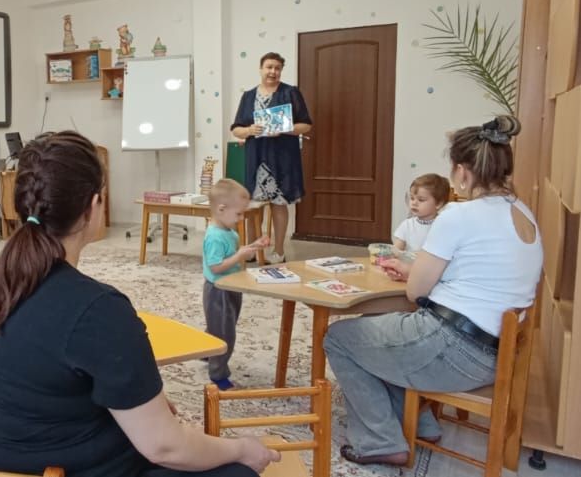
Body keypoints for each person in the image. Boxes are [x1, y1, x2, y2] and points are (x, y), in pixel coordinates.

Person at [0, 131, 277, 477]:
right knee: (239, 469)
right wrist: (242, 448)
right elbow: (165, 446)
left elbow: (41, 375)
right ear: (94, 205)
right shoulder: (97, 309)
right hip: (67, 468)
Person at [322, 116, 542, 467]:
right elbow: (480, 275)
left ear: (462, 172)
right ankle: (421, 422)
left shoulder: (457, 216)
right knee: (379, 330)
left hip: (454, 350)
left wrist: (414, 275)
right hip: (497, 354)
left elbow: (415, 292)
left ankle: (380, 441)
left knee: (340, 337)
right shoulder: (523, 212)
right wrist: (418, 271)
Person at [230, 52, 312, 264]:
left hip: (282, 158)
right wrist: (249, 130)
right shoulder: (248, 96)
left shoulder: (290, 92)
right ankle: (252, 250)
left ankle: (278, 252)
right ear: (261, 69)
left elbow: (306, 125)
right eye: (269, 67)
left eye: (277, 68)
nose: (273, 71)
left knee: (279, 204)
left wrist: (284, 129)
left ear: (281, 71)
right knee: (254, 206)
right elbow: (236, 129)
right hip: (256, 158)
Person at [202, 179, 269, 390]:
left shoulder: (229, 232)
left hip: (230, 287)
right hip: (218, 290)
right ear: (221, 209)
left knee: (220, 324)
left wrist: (253, 246)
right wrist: (240, 255)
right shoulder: (215, 237)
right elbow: (216, 267)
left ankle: (206, 350)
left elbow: (233, 255)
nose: (241, 219)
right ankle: (218, 373)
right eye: (238, 214)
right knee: (224, 333)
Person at [392, 173, 451, 253]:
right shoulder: (407, 225)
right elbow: (396, 250)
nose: (414, 203)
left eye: (421, 200)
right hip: (408, 261)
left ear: (438, 204)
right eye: (412, 198)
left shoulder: (443, 226)